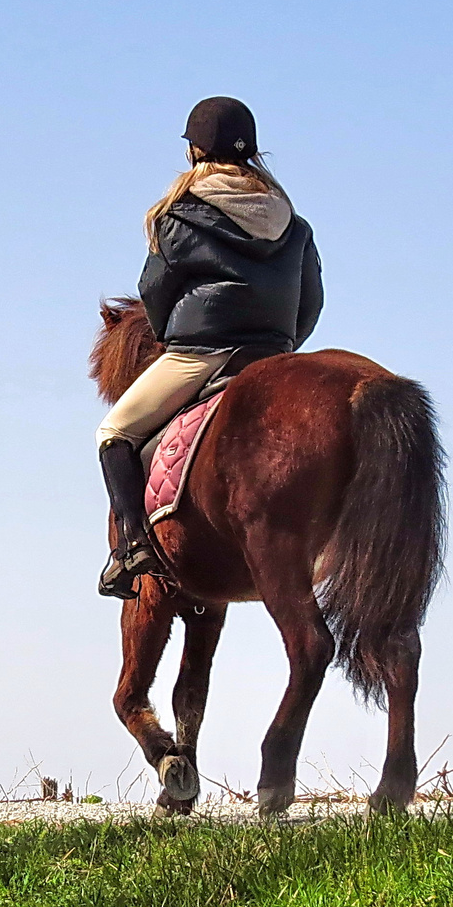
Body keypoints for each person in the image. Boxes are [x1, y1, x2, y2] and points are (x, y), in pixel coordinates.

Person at [96, 96, 325, 599]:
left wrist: (171, 337)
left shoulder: (177, 215)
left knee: (114, 431)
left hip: (200, 354)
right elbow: (311, 302)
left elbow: (155, 291)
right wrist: (280, 348)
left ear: (195, 149)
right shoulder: (295, 222)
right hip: (272, 354)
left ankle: (131, 548)